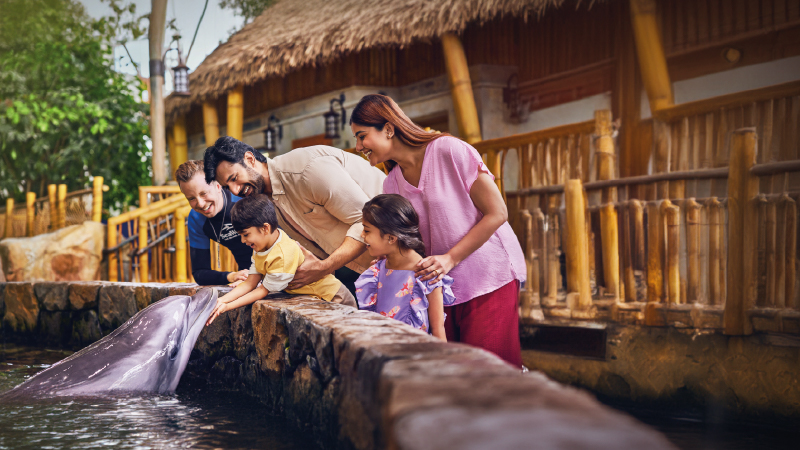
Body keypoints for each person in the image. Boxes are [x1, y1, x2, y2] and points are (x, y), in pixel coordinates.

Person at [349, 94, 526, 367]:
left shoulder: (449, 150)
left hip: (489, 277)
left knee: (491, 377)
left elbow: (498, 212)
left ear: (388, 128)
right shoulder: (391, 184)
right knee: (456, 379)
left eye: (362, 136)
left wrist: (450, 258)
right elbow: (411, 242)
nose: (358, 146)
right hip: (439, 287)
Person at [203, 136, 385, 296]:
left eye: (234, 178)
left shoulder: (307, 171)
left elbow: (367, 221)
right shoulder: (267, 201)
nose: (235, 190)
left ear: (250, 159)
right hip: (361, 271)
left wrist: (324, 267)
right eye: (227, 187)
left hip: (400, 254)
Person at [206, 194, 356, 326]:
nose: (243, 240)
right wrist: (221, 301)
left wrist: (227, 306)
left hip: (334, 297)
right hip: (314, 296)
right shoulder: (262, 247)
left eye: (245, 234)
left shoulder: (282, 254)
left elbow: (262, 291)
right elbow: (250, 283)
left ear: (265, 228)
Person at [355, 194, 454, 340]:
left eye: (367, 230)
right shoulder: (375, 272)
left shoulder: (427, 275)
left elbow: (438, 331)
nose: (362, 235)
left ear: (391, 238)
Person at [175, 160, 251, 285]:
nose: (200, 203)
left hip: (281, 265)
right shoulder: (196, 219)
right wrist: (232, 276)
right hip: (246, 274)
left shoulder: (243, 198)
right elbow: (200, 272)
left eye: (204, 193)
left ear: (217, 186)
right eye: (191, 198)